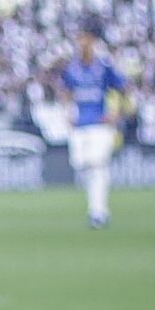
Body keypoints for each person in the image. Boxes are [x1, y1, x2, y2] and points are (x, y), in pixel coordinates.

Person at [62, 18, 128, 228]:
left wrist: (116, 113)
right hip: (80, 124)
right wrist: (68, 111)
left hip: (100, 124)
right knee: (81, 164)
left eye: (85, 39)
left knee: (98, 167)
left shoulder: (103, 67)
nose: (81, 44)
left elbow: (124, 89)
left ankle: (98, 212)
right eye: (79, 40)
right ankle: (96, 208)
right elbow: (65, 91)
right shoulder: (72, 68)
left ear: (92, 42)